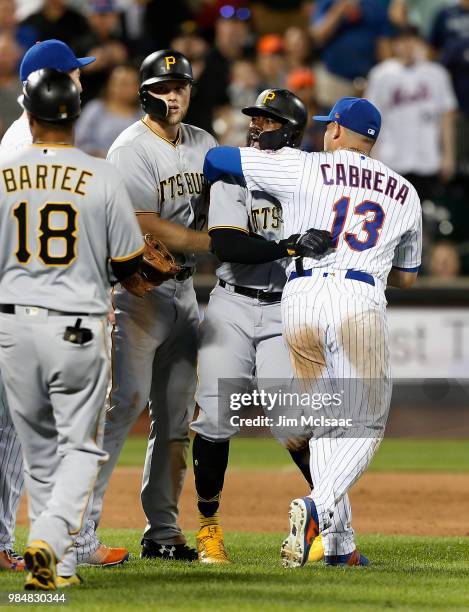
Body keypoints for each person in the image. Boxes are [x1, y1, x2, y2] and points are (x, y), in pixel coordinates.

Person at [203, 95, 422, 567]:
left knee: (324, 420)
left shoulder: (306, 168)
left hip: (299, 300)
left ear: (338, 131)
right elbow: (408, 276)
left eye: (329, 125)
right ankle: (317, 508)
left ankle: (338, 546)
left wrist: (266, 157)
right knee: (365, 420)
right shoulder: (405, 192)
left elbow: (215, 159)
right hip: (357, 298)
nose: (325, 131)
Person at [0, 68, 144, 589]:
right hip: (77, 327)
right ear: (76, 114)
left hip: (14, 331)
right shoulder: (101, 174)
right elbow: (130, 264)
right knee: (80, 449)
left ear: (29, 112)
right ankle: (52, 540)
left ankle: (51, 570)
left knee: (37, 451)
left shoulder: (4, 173)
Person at [80, 49, 217, 561]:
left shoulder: (203, 141)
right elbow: (142, 222)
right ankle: (79, 530)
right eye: (163, 87)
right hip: (138, 294)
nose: (174, 95)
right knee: (123, 407)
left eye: (181, 86)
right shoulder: (130, 148)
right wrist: (204, 241)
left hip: (184, 291)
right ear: (144, 93)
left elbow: (224, 199)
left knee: (177, 416)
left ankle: (162, 531)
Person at [192, 88, 325, 564]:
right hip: (231, 306)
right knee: (214, 417)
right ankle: (208, 528)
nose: (256, 126)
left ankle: (330, 521)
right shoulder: (233, 172)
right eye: (254, 118)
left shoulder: (310, 180)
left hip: (283, 309)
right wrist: (290, 247)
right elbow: (228, 246)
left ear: (289, 129)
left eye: (267, 120)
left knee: (293, 425)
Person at [366, 26, 457, 199]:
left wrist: (448, 156)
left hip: (428, 158)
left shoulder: (437, 73)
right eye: (402, 41)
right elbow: (372, 119)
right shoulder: (380, 74)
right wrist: (373, 156)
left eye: (411, 40)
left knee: (427, 216)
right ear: (394, 45)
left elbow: (447, 116)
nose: (407, 46)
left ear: (420, 43)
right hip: (391, 160)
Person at [310, 0, 393, 107]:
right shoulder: (326, 2)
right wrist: (340, 8)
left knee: (368, 120)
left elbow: (383, 42)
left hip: (368, 79)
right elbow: (317, 35)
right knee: (334, 121)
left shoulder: (373, 4)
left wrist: (386, 74)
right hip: (334, 79)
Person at [75, 64, 142, 157]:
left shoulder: (144, 114)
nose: (129, 88)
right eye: (124, 83)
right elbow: (79, 141)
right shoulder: (95, 109)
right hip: (97, 166)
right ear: (110, 85)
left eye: (134, 84)